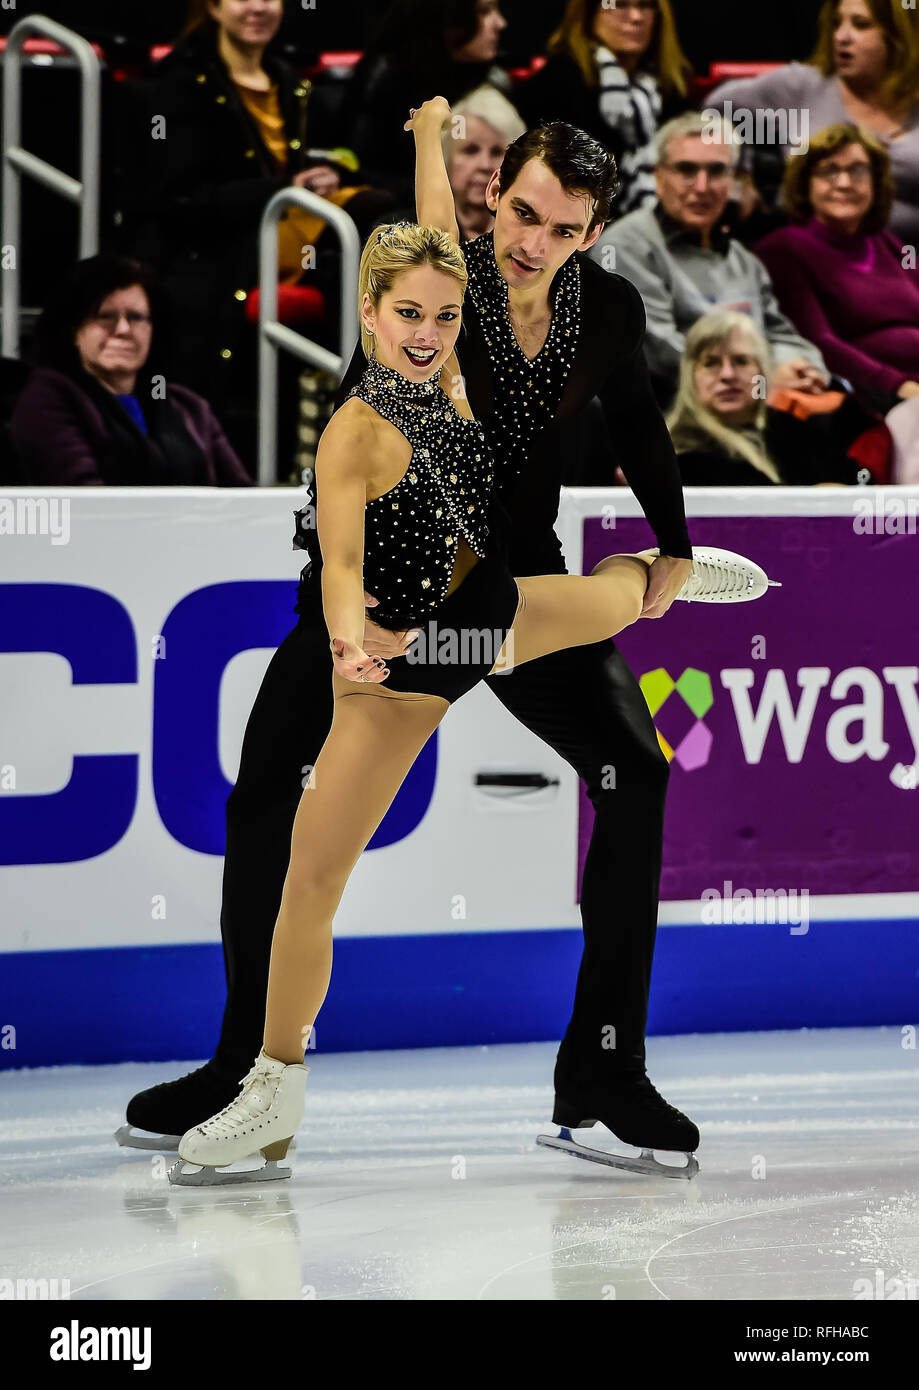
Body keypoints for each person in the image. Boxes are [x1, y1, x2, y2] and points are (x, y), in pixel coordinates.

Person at [121, 107, 765, 1179]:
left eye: (563, 228)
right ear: (490, 194)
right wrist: (347, 624)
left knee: (635, 772)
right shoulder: (435, 295)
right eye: (518, 212)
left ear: (596, 231)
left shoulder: (600, 307)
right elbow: (349, 478)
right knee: (265, 795)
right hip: (388, 598)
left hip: (507, 588)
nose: (531, 241)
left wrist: (671, 546)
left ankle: (604, 1067)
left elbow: (642, 426)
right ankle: (249, 1064)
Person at [134, 0, 396, 467]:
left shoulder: (291, 82)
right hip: (211, 254)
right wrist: (282, 188)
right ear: (212, 8)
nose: (257, 7)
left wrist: (322, 177)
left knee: (379, 229)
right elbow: (174, 200)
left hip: (289, 244)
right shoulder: (181, 85)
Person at [589, 112, 830, 405]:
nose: (702, 187)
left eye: (716, 171)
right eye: (686, 170)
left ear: (733, 180)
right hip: (674, 418)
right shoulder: (625, 248)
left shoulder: (741, 258)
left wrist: (803, 369)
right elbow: (656, 350)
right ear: (659, 176)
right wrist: (762, 377)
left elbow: (779, 334)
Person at [10, 255, 252, 487]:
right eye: (106, 317)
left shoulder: (189, 407)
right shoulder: (48, 398)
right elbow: (85, 503)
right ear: (74, 330)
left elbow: (243, 498)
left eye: (136, 317)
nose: (123, 329)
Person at [707, 0, 919, 245]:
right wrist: (738, 173)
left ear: (899, 36)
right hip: (813, 258)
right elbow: (717, 107)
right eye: (836, 24)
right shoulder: (801, 87)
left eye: (861, 25)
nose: (841, 37)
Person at [754, 123, 919, 409]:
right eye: (829, 171)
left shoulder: (888, 242)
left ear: (875, 183)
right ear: (806, 184)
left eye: (857, 170)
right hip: (872, 398)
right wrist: (898, 385)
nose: (844, 183)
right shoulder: (783, 248)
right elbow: (817, 341)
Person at [516, 0, 691, 217]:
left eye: (645, 5)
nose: (636, 17)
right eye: (619, 4)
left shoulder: (672, 88)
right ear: (588, 13)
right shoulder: (557, 85)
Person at [667, 311, 864, 486]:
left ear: (762, 372)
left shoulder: (792, 429)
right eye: (711, 363)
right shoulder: (676, 453)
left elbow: (856, 481)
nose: (727, 375)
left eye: (741, 361)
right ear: (690, 375)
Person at [346, 0, 511, 203]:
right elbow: (357, 171)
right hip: (404, 215)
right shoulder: (388, 78)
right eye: (484, 11)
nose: (501, 23)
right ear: (449, 19)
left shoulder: (495, 83)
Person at [444, 85, 527, 241]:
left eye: (497, 152)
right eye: (470, 150)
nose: (484, 165)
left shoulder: (530, 241)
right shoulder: (408, 236)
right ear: (445, 158)